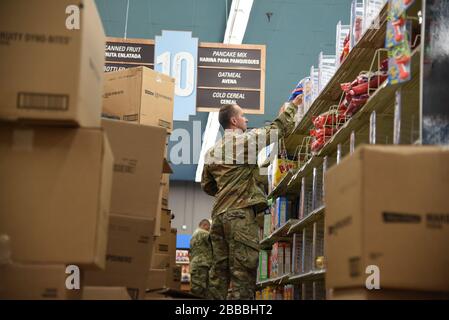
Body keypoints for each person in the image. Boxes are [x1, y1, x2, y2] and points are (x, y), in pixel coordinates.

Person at [201, 94, 303, 300]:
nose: (246, 119)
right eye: (243, 116)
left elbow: (208, 186)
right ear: (234, 121)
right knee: (242, 274)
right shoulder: (244, 141)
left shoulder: (211, 152)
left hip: (218, 218)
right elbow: (275, 131)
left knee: (218, 275)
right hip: (239, 217)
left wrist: (228, 189)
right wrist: (293, 106)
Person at [189, 219, 212, 298]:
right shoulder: (202, 233)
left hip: (197, 265)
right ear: (205, 225)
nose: (209, 230)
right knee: (199, 292)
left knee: (197, 290)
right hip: (201, 265)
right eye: (209, 228)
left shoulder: (194, 235)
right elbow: (215, 239)